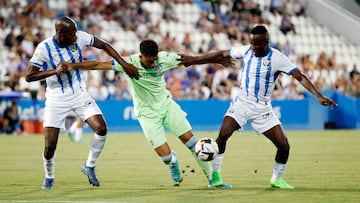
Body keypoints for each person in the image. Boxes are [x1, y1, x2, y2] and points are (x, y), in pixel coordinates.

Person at [179, 25, 338, 189]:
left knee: (284, 146)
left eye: (257, 44)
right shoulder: (247, 51)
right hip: (241, 103)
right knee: (224, 134)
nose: (254, 47)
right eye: (252, 43)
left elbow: (299, 76)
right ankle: (216, 176)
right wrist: (193, 59)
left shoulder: (278, 58)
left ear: (266, 42)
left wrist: (319, 95)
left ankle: (277, 179)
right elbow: (222, 54)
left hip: (262, 108)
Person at [59, 39, 231, 188]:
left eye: (155, 59)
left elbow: (195, 59)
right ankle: (172, 162)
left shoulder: (164, 59)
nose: (154, 64)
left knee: (194, 144)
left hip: (167, 106)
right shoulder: (128, 63)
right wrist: (72, 66)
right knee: (165, 157)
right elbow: (97, 64)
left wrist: (220, 58)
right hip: (147, 115)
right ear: (141, 56)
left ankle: (213, 179)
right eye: (150, 61)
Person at [25, 16, 139, 190]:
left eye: (75, 33)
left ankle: (89, 166)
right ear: (60, 34)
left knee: (101, 128)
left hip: (79, 93)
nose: (75, 37)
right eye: (71, 34)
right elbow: (29, 76)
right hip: (56, 98)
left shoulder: (80, 37)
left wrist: (124, 64)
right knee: (50, 146)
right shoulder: (44, 48)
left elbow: (104, 45)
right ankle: (49, 176)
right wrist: (54, 71)